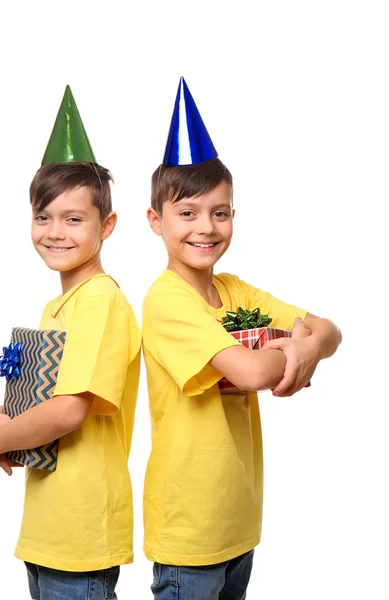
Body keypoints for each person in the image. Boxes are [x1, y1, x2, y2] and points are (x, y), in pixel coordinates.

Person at [142, 77, 341, 600]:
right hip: (190, 531)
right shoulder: (166, 301)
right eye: (187, 213)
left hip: (238, 521)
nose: (206, 227)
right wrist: (295, 350)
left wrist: (305, 346)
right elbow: (250, 373)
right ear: (155, 221)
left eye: (220, 212)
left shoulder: (235, 290)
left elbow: (330, 329)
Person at [0, 85, 141, 600]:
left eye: (73, 218)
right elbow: (45, 401)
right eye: (43, 216)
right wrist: (1, 416)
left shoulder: (100, 301)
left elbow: (68, 410)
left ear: (106, 226)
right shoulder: (59, 307)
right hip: (51, 527)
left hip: (82, 529)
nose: (54, 231)